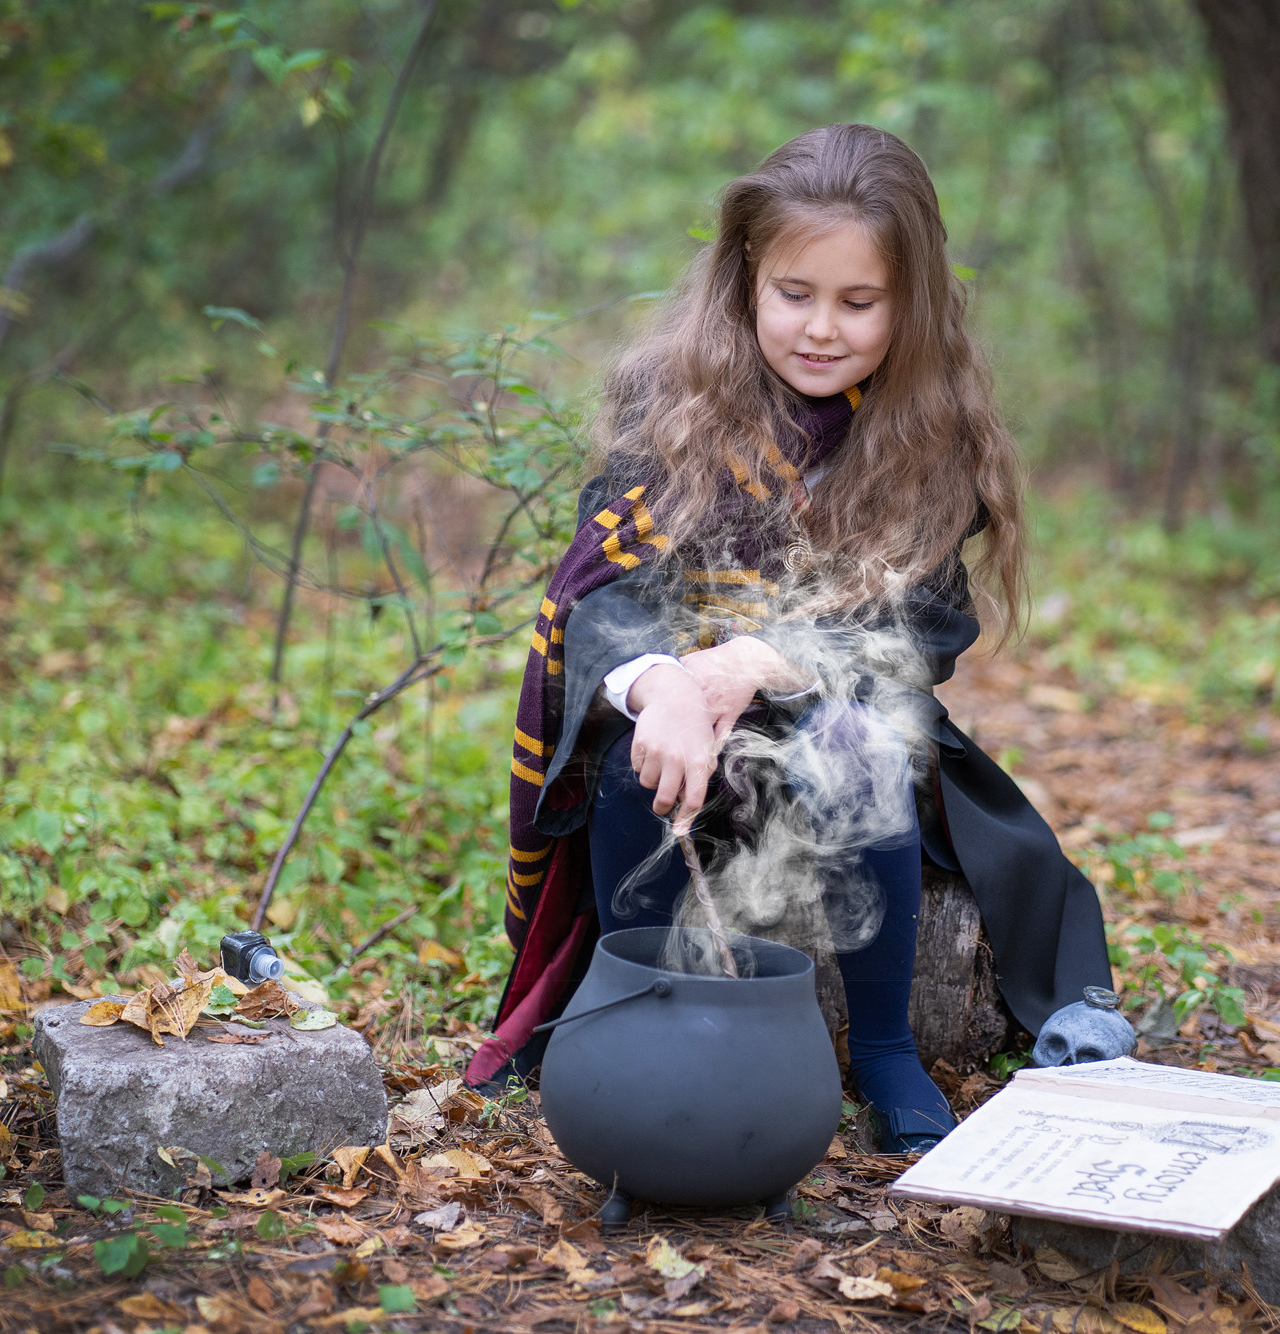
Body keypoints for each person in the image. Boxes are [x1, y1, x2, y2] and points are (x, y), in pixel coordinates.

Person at [465, 123, 1132, 1152]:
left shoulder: (927, 427)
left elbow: (925, 621)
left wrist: (754, 661)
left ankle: (880, 1050)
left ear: (907, 303)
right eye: (794, 294)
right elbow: (604, 596)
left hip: (840, 711)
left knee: (855, 749)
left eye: (857, 302)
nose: (821, 328)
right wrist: (670, 686)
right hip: (683, 722)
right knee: (633, 765)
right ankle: (637, 1003)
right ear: (745, 278)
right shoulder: (673, 402)